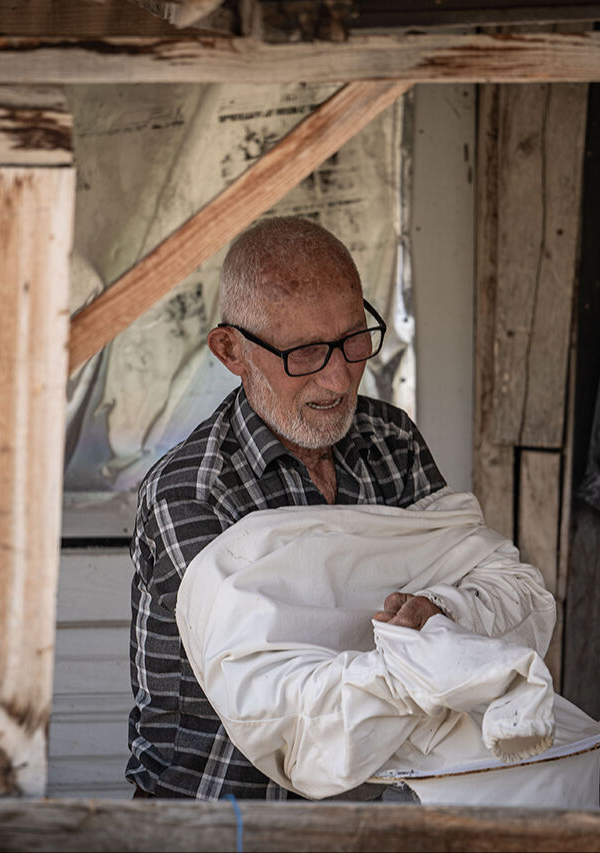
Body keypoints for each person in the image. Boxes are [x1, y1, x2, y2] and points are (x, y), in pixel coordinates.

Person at [125, 216, 452, 799]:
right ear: (231, 350)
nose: (338, 377)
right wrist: (423, 634)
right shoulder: (195, 491)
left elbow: (465, 580)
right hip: (217, 812)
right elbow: (286, 692)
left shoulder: (393, 443)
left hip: (364, 802)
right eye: (303, 351)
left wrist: (445, 611)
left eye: (353, 339)